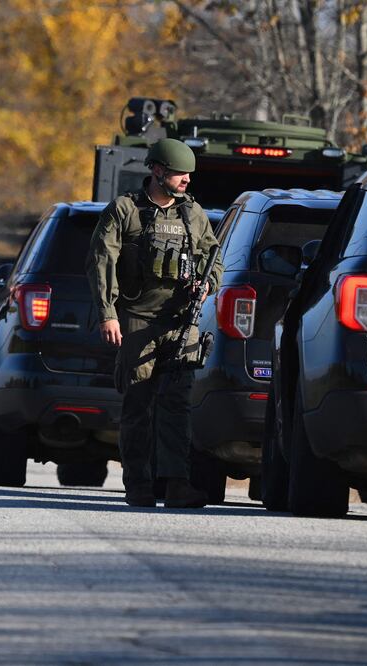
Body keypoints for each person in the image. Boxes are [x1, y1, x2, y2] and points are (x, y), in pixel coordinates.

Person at [86, 138, 222, 509]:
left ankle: (177, 484)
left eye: (189, 175)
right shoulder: (125, 210)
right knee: (138, 405)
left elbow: (214, 258)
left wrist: (207, 285)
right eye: (180, 174)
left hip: (181, 322)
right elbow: (100, 261)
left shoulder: (193, 214)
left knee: (177, 406)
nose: (186, 180)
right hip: (136, 320)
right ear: (158, 171)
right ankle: (139, 485)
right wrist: (108, 313)